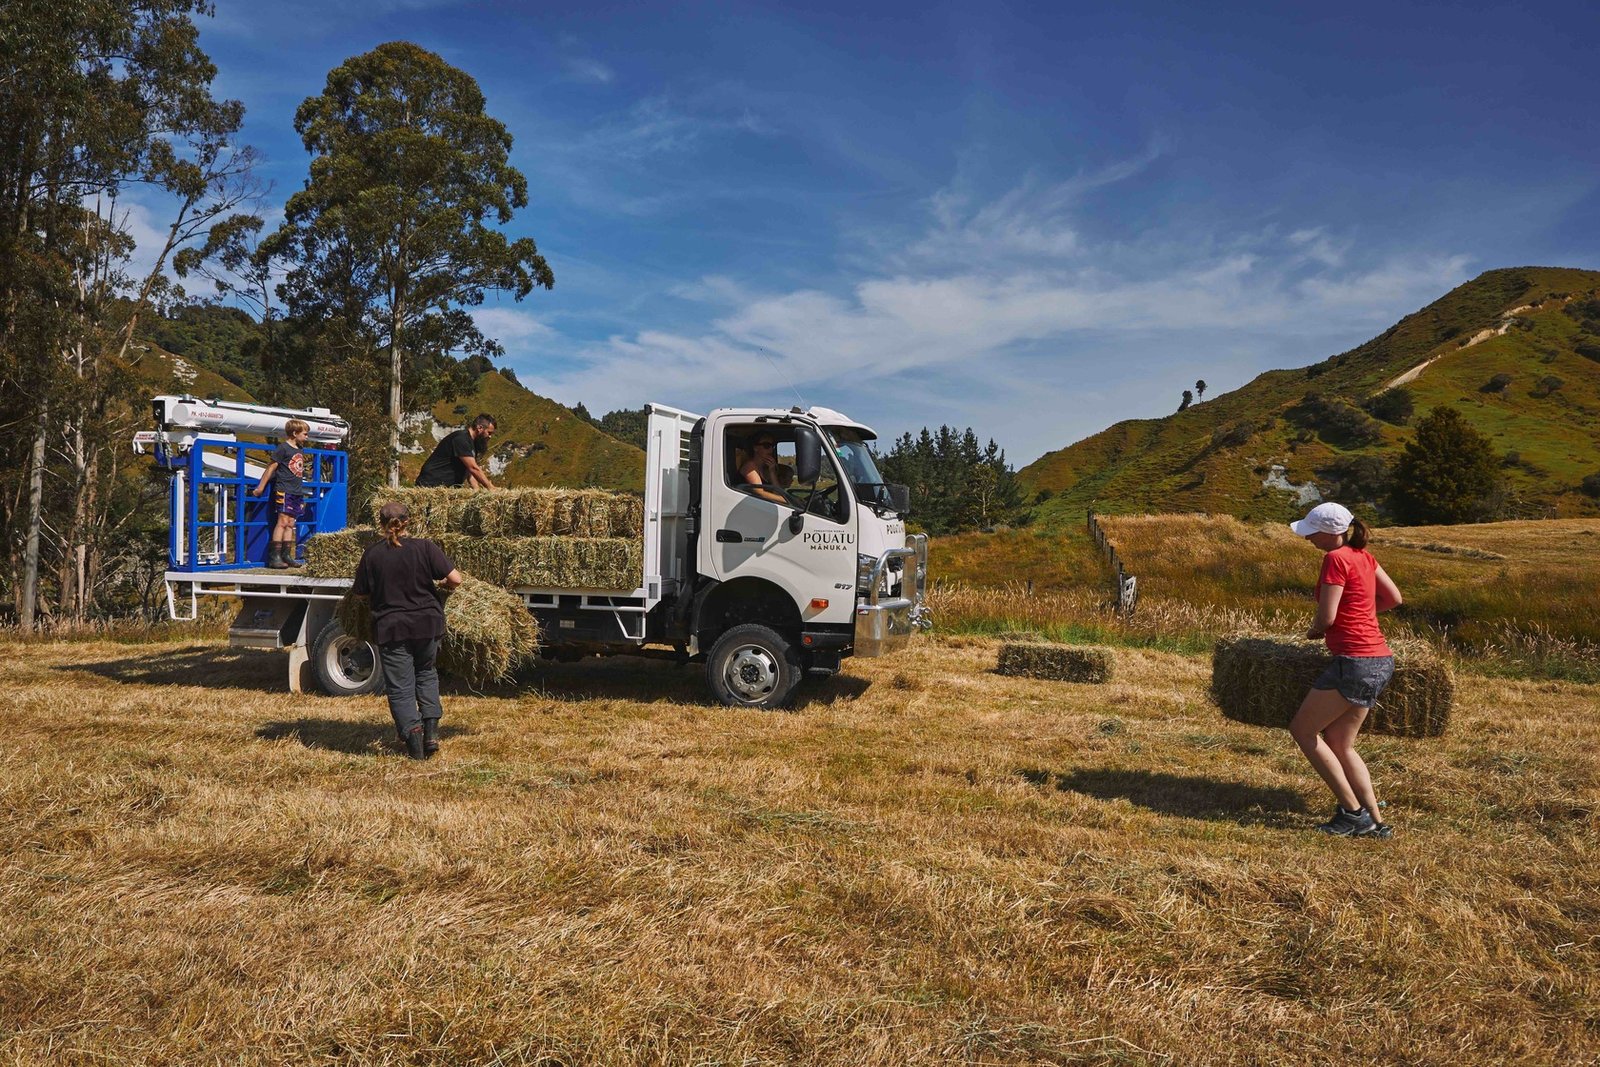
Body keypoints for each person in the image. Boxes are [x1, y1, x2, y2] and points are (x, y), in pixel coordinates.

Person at [1288, 502, 1404, 838]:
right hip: (1380, 659)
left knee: (1303, 731)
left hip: (1354, 661)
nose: (1308, 538)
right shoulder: (1363, 556)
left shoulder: (1335, 559)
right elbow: (1394, 598)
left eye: (1312, 532)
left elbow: (1327, 617)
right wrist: (1363, 614)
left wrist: (1315, 631)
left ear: (1330, 532)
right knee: (1340, 742)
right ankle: (1376, 822)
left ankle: (1353, 814)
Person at [352, 501, 464, 760]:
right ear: (408, 522)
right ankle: (432, 734)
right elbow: (456, 579)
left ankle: (415, 749)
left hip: (392, 628)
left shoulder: (372, 555)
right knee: (426, 674)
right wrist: (444, 585)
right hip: (428, 624)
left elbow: (359, 594)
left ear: (380, 524)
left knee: (401, 687)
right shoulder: (425, 547)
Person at [252, 418, 312, 569]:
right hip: (284, 489)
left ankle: (287, 554)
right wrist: (260, 487)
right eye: (304, 434)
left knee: (291, 524)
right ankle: (275, 556)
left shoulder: (299, 449)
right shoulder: (283, 448)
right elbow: (271, 468)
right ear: (294, 433)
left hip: (296, 490)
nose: (307, 437)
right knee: (283, 522)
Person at [416, 413, 497, 489]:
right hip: (432, 484)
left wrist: (476, 490)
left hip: (448, 488)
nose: (490, 437)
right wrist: (490, 488)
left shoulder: (473, 444)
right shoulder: (461, 439)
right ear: (480, 428)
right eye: (489, 433)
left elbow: (469, 470)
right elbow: (473, 468)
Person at [738, 433, 788, 505]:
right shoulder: (750, 466)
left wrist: (772, 471)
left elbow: (778, 492)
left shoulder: (766, 468)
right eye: (766, 446)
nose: (771, 449)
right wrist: (786, 500)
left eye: (772, 446)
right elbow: (759, 493)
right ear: (755, 448)